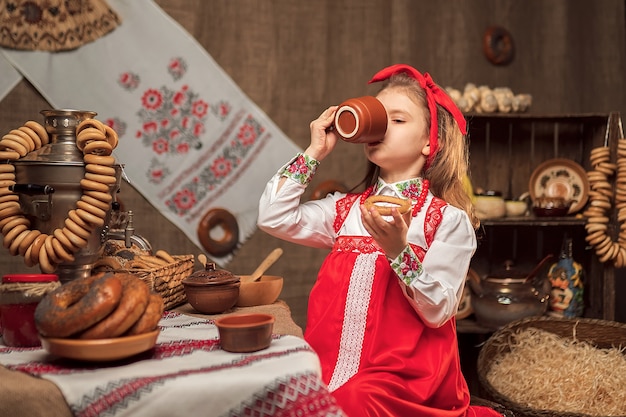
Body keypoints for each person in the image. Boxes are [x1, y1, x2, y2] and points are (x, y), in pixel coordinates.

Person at [257, 64, 501, 417]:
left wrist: (398, 251)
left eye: (398, 120)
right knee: (278, 393)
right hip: (326, 364)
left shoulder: (446, 220)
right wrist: (314, 152)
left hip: (405, 378)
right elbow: (272, 216)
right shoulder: (344, 210)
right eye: (379, 117)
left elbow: (438, 313)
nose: (382, 126)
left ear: (431, 142)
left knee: (353, 400)